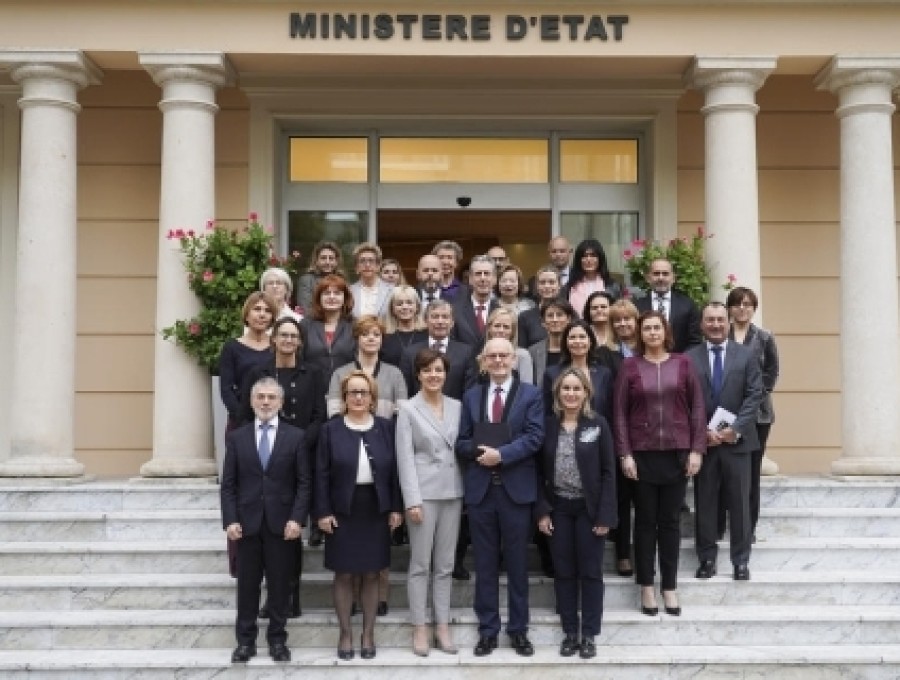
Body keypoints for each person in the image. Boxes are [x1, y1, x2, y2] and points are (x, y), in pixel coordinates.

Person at [613, 311, 706, 618]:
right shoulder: (629, 367)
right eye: (647, 328)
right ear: (640, 334)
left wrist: (696, 450)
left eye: (657, 327)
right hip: (642, 455)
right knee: (644, 522)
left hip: (677, 454)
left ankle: (669, 585)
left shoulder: (683, 364)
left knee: (670, 523)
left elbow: (697, 409)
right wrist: (625, 453)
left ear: (665, 331)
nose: (652, 332)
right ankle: (646, 586)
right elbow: (619, 415)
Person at [456, 337, 544, 657]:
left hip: (516, 491)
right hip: (481, 491)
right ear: (483, 361)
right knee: (485, 564)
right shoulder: (471, 396)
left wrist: (502, 455)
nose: (498, 361)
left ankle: (519, 630)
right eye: (491, 356)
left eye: (503, 356)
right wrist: (481, 452)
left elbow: (535, 436)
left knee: (518, 564)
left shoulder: (532, 395)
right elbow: (461, 442)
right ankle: (488, 631)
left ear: (514, 360)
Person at [239, 317, 327, 615]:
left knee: (291, 529)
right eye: (283, 335)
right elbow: (246, 410)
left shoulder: (312, 373)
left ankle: (292, 595)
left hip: (300, 457)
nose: (289, 340)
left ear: (300, 342)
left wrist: (300, 442)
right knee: (268, 530)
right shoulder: (259, 373)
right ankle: (270, 595)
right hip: (265, 459)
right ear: (274, 339)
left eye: (294, 336)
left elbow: (319, 415)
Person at [220, 376, 310, 664]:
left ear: (281, 402)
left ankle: (277, 640)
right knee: (247, 586)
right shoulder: (237, 438)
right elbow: (229, 485)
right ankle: (245, 642)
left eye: (272, 397)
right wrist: (230, 520)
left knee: (280, 586)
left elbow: (304, 483)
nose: (266, 402)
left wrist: (298, 519)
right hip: (246, 525)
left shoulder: (295, 437)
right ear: (252, 400)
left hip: (282, 525)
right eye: (261, 397)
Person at [315, 370, 403, 661]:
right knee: (343, 573)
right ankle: (345, 634)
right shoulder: (331, 429)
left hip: (375, 508)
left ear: (373, 398)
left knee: (372, 572)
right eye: (352, 392)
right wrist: (323, 511)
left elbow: (395, 472)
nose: (358, 397)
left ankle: (368, 633)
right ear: (344, 397)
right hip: (342, 510)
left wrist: (395, 508)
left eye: (363, 392)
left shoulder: (385, 428)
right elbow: (321, 475)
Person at [536, 367, 616, 659]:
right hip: (558, 508)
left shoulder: (599, 424)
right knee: (564, 571)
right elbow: (537, 472)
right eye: (565, 389)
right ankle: (570, 632)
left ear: (586, 393)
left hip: (589, 509)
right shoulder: (547, 425)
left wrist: (605, 515)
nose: (571, 394)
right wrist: (542, 512)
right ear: (557, 394)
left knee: (591, 572)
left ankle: (590, 634)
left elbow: (609, 472)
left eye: (576, 389)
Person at [687, 302, 764, 582]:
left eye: (720, 320)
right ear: (702, 324)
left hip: (738, 444)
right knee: (705, 503)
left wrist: (735, 428)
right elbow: (684, 401)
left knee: (740, 504)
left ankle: (740, 561)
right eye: (710, 320)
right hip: (704, 444)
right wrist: (700, 433)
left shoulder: (746, 355)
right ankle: (707, 559)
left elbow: (755, 394)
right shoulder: (688, 358)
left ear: (728, 322)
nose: (716, 325)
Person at [395, 348, 463, 657]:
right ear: (418, 375)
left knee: (445, 565)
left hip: (453, 492)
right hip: (423, 494)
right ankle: (419, 627)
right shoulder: (408, 409)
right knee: (421, 564)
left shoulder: (457, 406)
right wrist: (412, 500)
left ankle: (442, 625)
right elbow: (405, 458)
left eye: (438, 369)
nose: (434, 375)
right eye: (427, 370)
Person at [726, 286, 780, 541]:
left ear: (754, 308)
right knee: (726, 472)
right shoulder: (720, 336)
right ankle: (724, 524)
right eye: (737, 303)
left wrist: (752, 398)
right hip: (725, 415)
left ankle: (749, 527)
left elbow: (771, 373)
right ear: (730, 308)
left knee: (751, 472)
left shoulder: (765, 338)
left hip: (758, 415)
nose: (742, 308)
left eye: (748, 304)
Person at [607, 297, 641, 576]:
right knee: (621, 497)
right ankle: (622, 553)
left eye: (627, 319)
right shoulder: (605, 355)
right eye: (616, 320)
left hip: (648, 434)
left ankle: (643, 551)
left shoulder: (650, 352)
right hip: (618, 431)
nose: (622, 324)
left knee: (644, 500)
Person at [219, 292, 277, 430]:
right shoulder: (232, 347)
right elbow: (226, 389)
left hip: (274, 419)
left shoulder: (278, 346)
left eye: (268, 311)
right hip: (241, 421)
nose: (262, 314)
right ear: (247, 314)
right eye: (257, 309)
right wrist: (241, 418)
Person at [399, 299, 477, 401]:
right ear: (426, 321)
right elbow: (406, 391)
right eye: (435, 317)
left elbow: (469, 391)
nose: (440, 321)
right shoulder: (410, 353)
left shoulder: (466, 353)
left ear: (452, 322)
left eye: (445, 317)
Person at [541, 320, 613, 424]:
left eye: (582, 337)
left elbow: (608, 412)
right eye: (572, 337)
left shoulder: (604, 374)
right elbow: (547, 412)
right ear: (566, 342)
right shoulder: (552, 374)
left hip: (597, 434)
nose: (578, 341)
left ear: (590, 341)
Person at [634, 257, 702, 352]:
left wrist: (681, 362)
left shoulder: (688, 305)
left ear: (673, 278)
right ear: (648, 278)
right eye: (656, 273)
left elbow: (695, 341)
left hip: (679, 363)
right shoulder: (636, 306)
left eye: (665, 274)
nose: (661, 278)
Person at [299, 275, 357, 385]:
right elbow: (299, 359)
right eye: (326, 293)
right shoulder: (305, 325)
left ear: (345, 298)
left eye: (337, 293)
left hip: (347, 388)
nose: (332, 297)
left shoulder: (355, 325)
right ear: (318, 298)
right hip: (312, 387)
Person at [564, 238, 621, 317]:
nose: (588, 259)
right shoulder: (569, 287)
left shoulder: (612, 286)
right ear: (579, 260)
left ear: (600, 259)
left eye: (593, 255)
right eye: (584, 256)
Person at [452, 254, 500, 348]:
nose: (482, 278)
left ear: (495, 279)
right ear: (470, 279)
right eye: (478, 274)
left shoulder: (502, 310)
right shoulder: (455, 310)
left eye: (487, 273)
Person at [529, 298, 577, 388]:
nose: (555, 320)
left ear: (569, 319)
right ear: (543, 322)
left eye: (559, 315)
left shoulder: (577, 348)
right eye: (550, 315)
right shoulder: (533, 352)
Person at [379, 284, 428, 368]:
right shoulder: (383, 336)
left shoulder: (427, 334)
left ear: (417, 307)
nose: (404, 307)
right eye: (399, 304)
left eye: (409, 303)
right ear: (392, 309)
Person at [484, 307, 533, 385]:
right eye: (497, 326)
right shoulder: (480, 354)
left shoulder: (522, 355)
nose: (501, 330)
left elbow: (527, 388)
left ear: (512, 331)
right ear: (489, 328)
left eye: (506, 327)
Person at [518, 265, 561, 349]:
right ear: (537, 286)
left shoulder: (570, 313)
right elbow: (522, 350)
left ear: (559, 285)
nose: (547, 286)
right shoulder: (525, 317)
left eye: (551, 282)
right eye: (542, 282)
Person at [296, 241, 342, 315]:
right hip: (314, 324)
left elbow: (346, 307)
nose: (327, 262)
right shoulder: (306, 280)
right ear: (316, 261)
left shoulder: (342, 280)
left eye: (331, 258)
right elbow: (306, 309)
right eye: (323, 258)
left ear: (336, 262)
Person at [350, 242, 394, 319]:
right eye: (362, 261)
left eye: (371, 261)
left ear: (378, 266)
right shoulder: (349, 291)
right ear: (357, 267)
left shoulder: (392, 290)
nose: (367, 265)